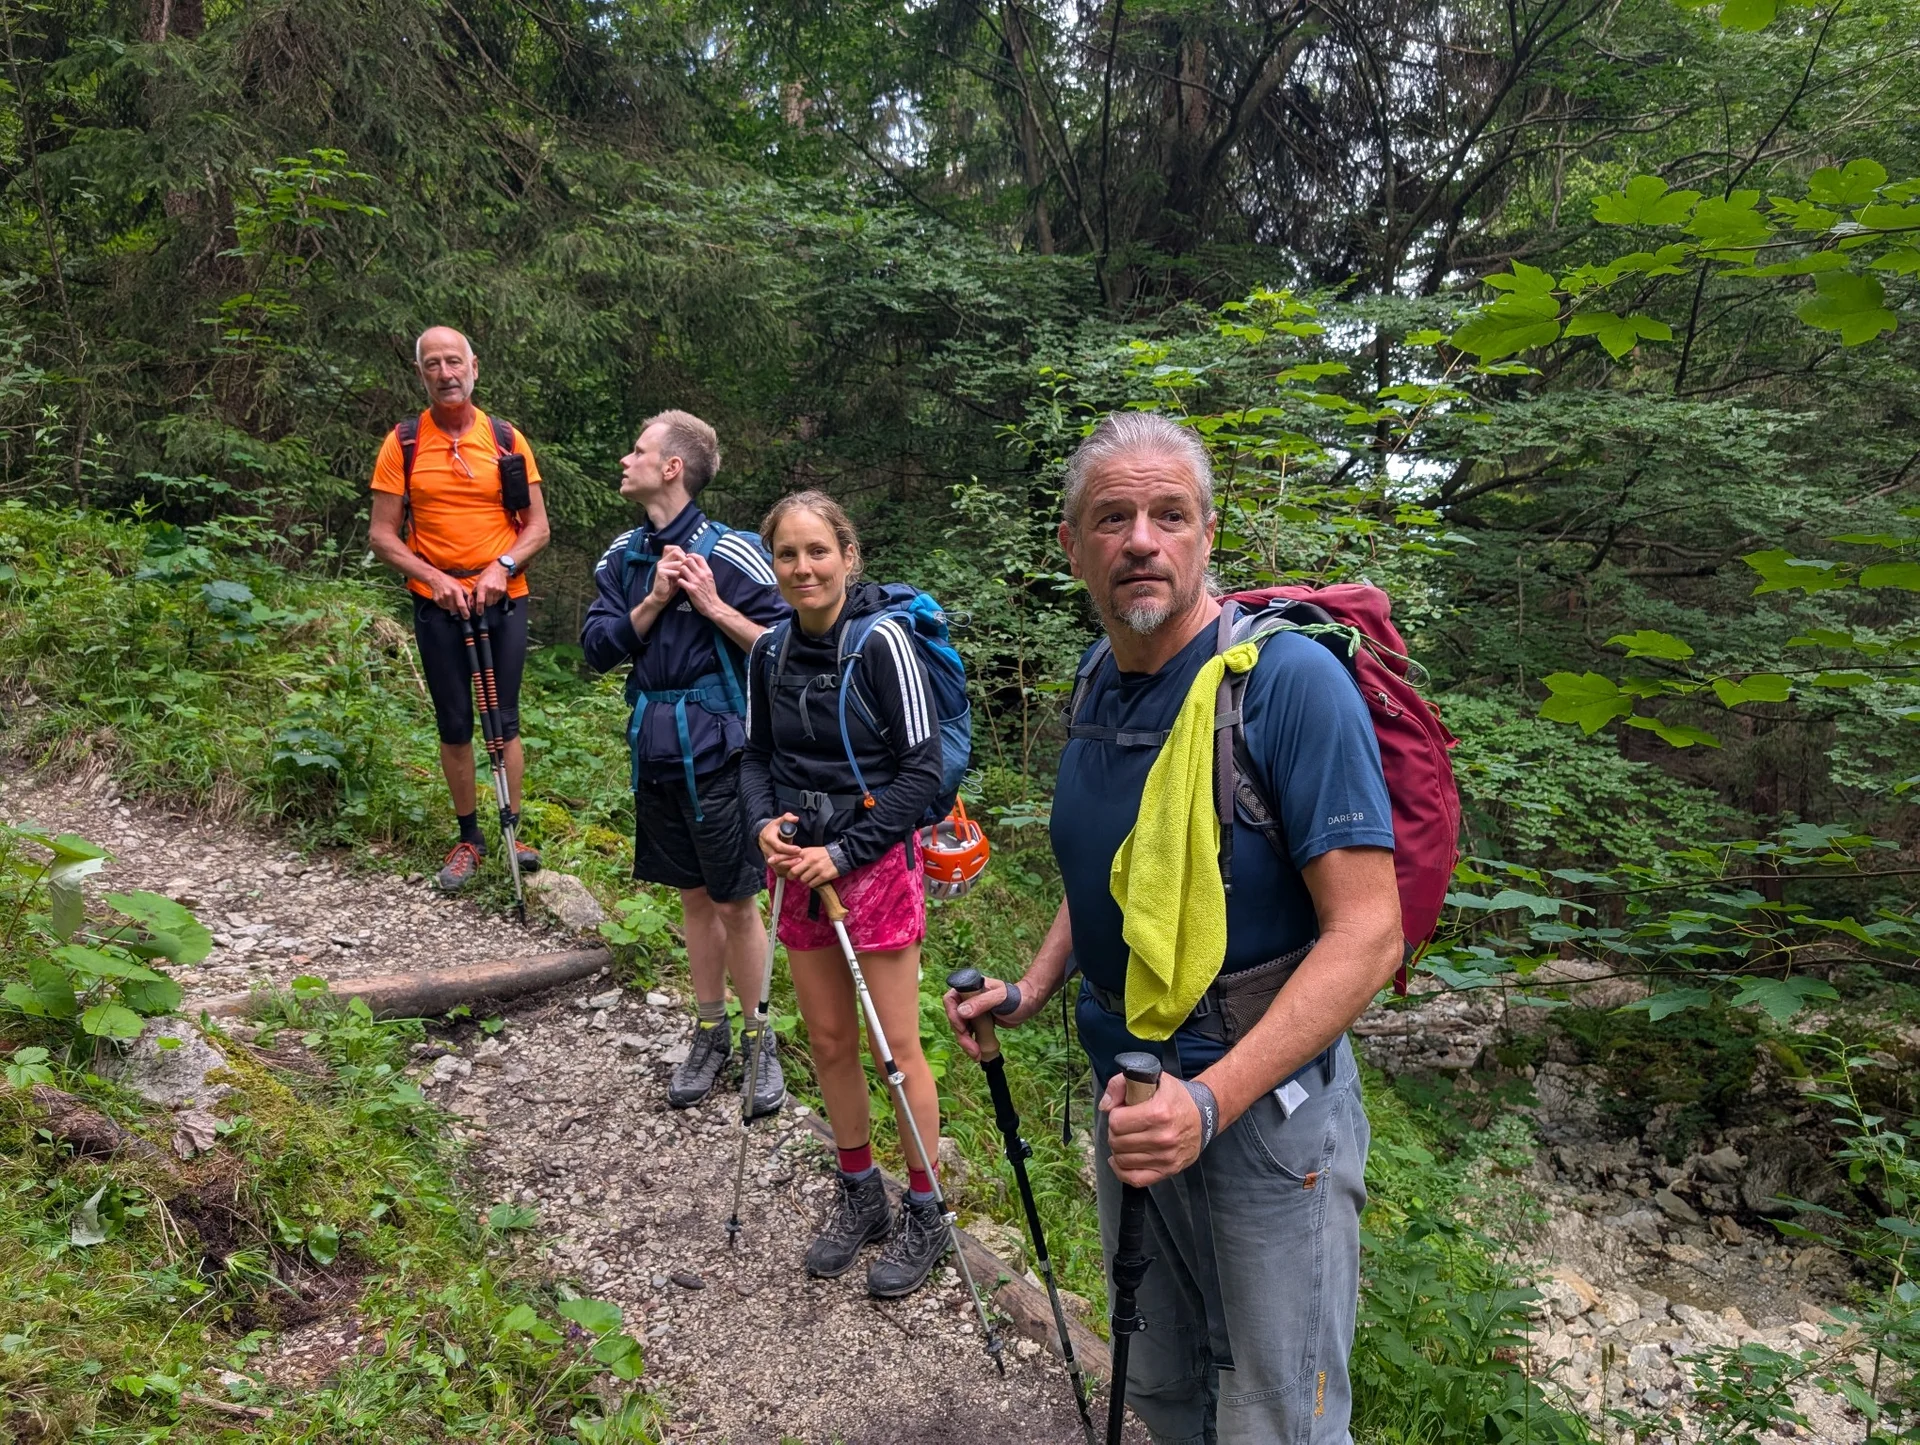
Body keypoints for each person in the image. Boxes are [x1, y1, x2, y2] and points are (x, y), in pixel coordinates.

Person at [942, 412, 1403, 1444]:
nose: (1142, 539)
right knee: (1163, 1385)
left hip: (1266, 1113)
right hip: (1133, 1094)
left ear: (1206, 534)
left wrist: (1208, 1101)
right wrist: (1034, 986)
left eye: (1170, 514)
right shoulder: (1097, 678)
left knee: (1277, 1418)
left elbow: (1370, 933)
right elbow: (1120, 870)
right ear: (1073, 545)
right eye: (1113, 517)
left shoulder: (1287, 686)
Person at [738, 490, 949, 1299]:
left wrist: (845, 851)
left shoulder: (883, 643)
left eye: (818, 551)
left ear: (848, 556)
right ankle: (860, 1191)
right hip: (800, 864)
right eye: (788, 554)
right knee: (828, 1039)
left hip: (874, 864)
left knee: (895, 1049)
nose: (803, 567)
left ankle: (926, 1207)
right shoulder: (768, 652)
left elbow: (922, 772)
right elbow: (755, 757)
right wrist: (764, 824)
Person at [580, 411, 790, 1115]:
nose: (625, 459)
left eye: (638, 450)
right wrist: (654, 600)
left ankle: (761, 1039)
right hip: (656, 748)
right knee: (694, 898)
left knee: (735, 900)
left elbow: (789, 648)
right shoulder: (624, 556)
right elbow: (597, 648)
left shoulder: (734, 553)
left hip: (723, 752)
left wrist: (711, 603)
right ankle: (710, 1031)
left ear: (672, 467)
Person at [368, 325, 551, 892]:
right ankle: (470, 837)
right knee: (454, 723)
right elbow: (382, 534)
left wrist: (503, 567)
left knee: (505, 718)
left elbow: (537, 528)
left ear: (474, 367)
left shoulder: (504, 439)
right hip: (437, 603)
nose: (445, 373)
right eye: (433, 364)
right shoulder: (404, 442)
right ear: (420, 373)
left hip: (502, 598)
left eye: (454, 362)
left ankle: (513, 831)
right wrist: (433, 577)